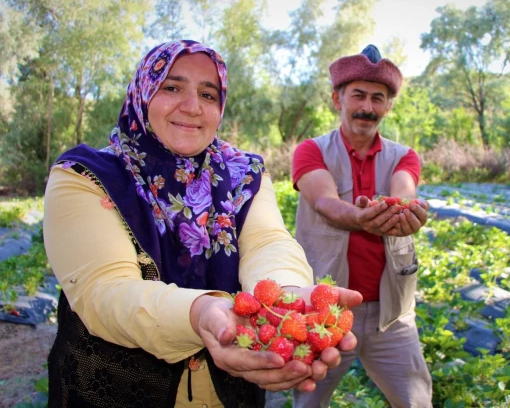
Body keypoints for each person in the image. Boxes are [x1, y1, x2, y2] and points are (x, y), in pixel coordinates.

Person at [43, 40, 362, 408]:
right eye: (172, 87)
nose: (193, 107)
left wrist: (286, 296)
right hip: (113, 390)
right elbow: (108, 291)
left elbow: (267, 242)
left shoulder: (243, 174)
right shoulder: (86, 176)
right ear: (143, 92)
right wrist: (200, 314)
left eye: (208, 94)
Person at [291, 44, 433, 408]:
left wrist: (406, 212)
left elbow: (404, 192)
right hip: (326, 310)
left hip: (392, 314)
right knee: (308, 402)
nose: (367, 107)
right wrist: (361, 218)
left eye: (378, 98)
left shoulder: (404, 156)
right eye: (358, 95)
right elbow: (324, 202)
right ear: (337, 99)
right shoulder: (310, 151)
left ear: (388, 106)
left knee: (415, 401)